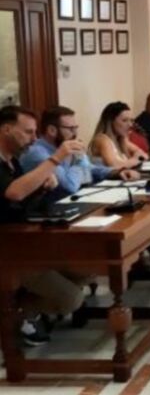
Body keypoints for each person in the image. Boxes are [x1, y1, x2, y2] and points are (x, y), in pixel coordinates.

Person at [0, 106, 88, 346]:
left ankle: (25, 311)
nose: (34, 138)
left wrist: (41, 187)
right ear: (6, 130)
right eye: (28, 132)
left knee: (88, 267)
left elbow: (23, 203)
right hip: (9, 250)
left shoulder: (13, 161)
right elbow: (14, 193)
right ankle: (19, 314)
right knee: (71, 298)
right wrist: (55, 158)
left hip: (28, 239)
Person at [21, 106, 139, 202]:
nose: (75, 133)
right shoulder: (38, 153)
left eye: (76, 128)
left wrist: (117, 172)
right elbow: (69, 186)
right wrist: (77, 158)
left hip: (75, 203)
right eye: (70, 129)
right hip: (49, 214)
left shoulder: (64, 145)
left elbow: (89, 168)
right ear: (52, 130)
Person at [90, 102, 148, 170]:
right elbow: (114, 165)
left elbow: (143, 154)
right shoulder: (102, 140)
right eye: (124, 120)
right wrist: (135, 160)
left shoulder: (121, 140)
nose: (130, 125)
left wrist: (135, 159)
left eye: (131, 121)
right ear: (111, 121)